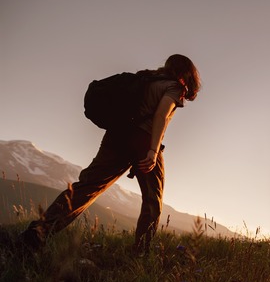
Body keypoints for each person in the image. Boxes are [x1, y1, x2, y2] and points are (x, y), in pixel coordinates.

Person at [21, 54, 201, 254]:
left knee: (87, 187)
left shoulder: (146, 79)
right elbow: (161, 115)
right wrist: (153, 149)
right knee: (152, 199)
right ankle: (140, 253)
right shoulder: (174, 87)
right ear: (187, 73)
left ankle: (39, 231)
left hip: (117, 136)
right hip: (144, 142)